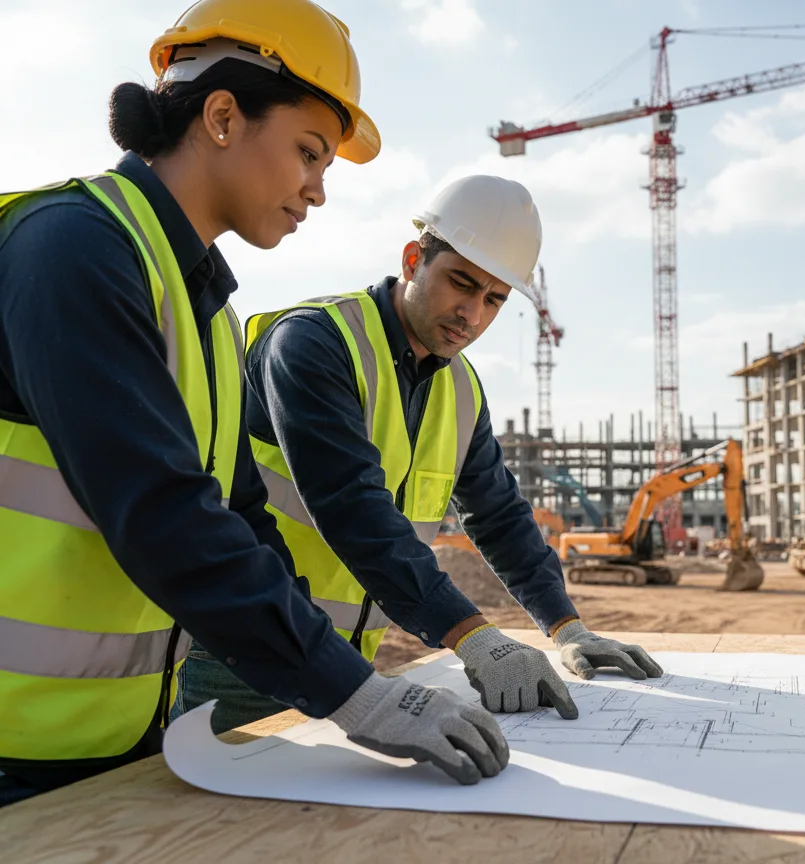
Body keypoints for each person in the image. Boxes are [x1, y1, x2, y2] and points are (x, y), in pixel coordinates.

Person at [0, 0, 508, 806]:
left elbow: (237, 514)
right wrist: (356, 694)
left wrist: (339, 672)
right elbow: (161, 511)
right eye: (309, 153)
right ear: (223, 117)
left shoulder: (206, 310)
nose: (318, 191)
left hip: (119, 747)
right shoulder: (72, 248)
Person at [170, 174, 664, 734]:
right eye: (461, 283)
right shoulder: (313, 344)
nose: (472, 314)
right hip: (244, 653)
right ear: (412, 261)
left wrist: (566, 627)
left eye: (494, 300)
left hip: (344, 659)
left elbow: (499, 515)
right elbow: (352, 508)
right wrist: (472, 635)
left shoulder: (461, 389)